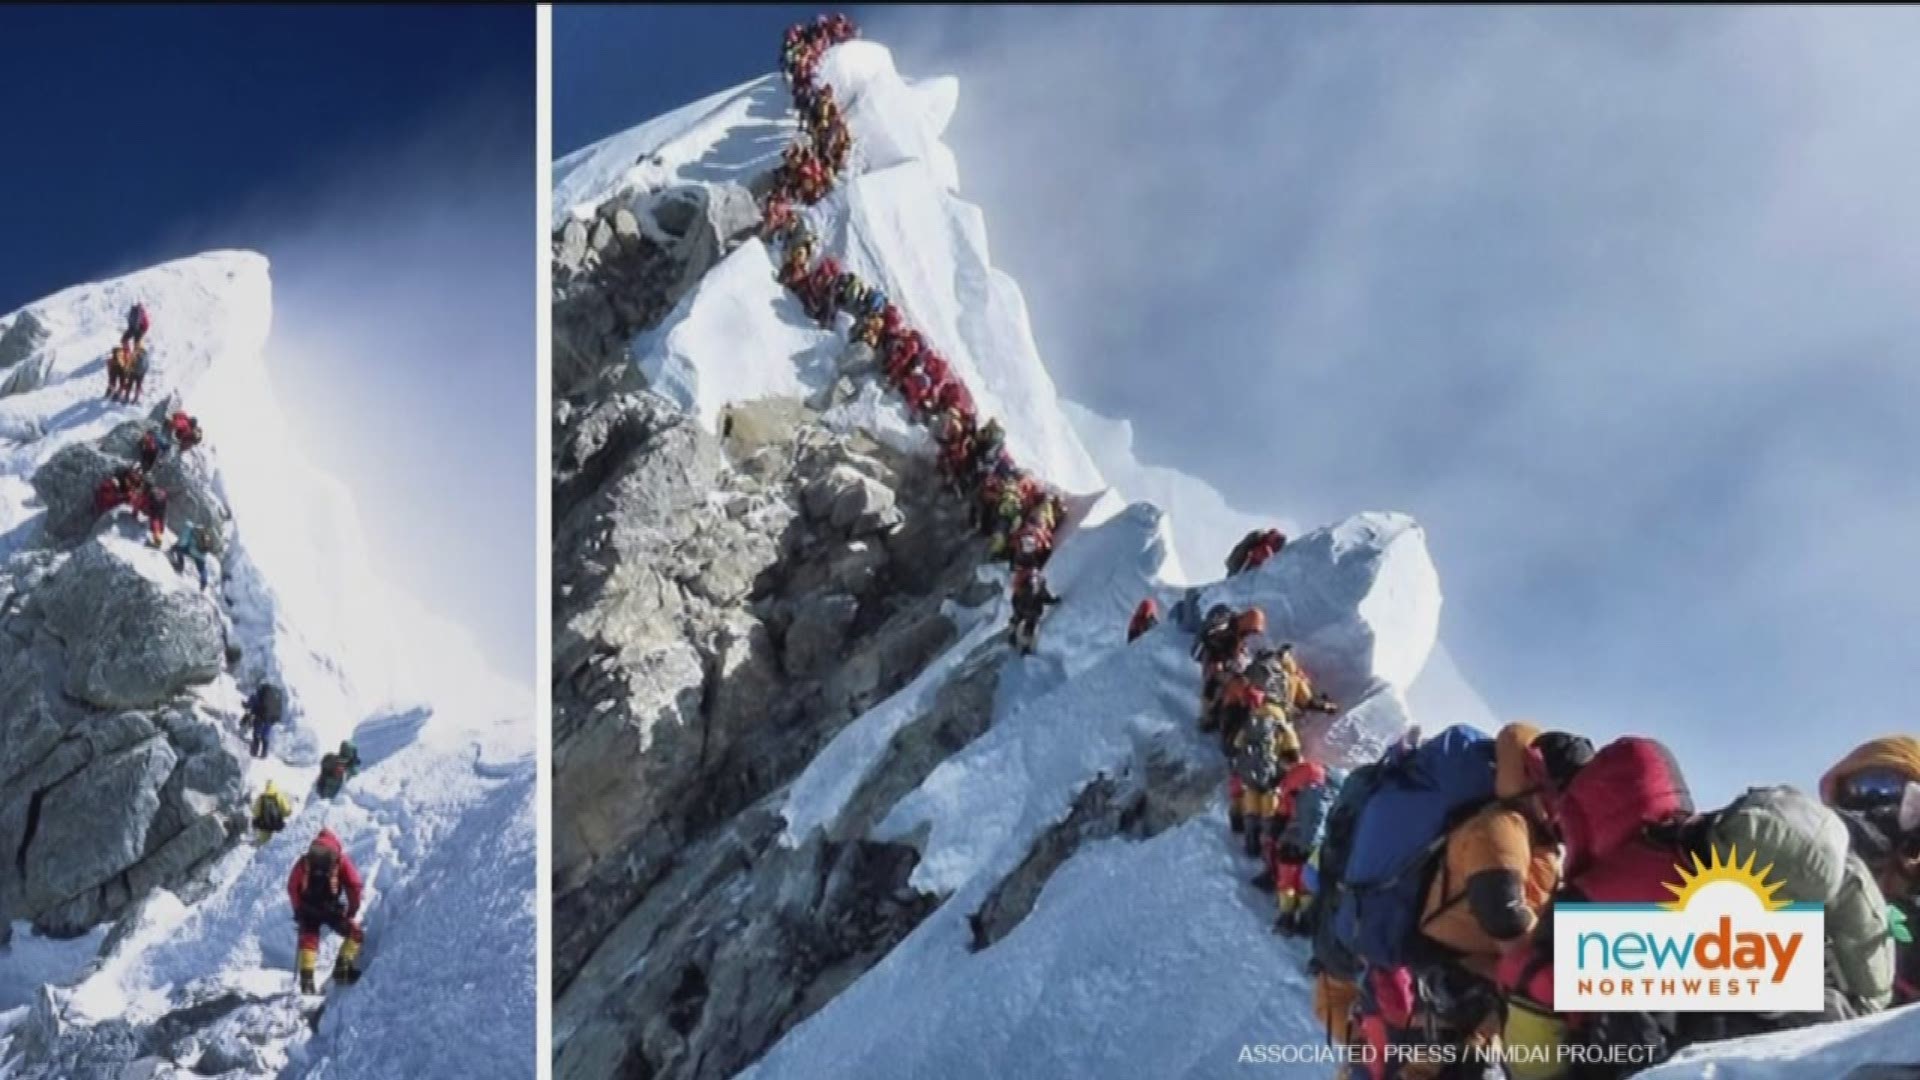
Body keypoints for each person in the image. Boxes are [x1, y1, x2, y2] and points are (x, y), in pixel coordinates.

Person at [287, 829, 364, 993]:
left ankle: (306, 982)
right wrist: (352, 910)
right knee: (355, 933)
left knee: (309, 939)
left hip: (308, 908)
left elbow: (292, 886)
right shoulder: (340, 860)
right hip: (331, 909)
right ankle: (342, 970)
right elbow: (355, 885)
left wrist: (298, 910)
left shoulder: (305, 861)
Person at [1008, 569, 1060, 656]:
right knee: (1029, 627)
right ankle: (1025, 647)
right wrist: (1054, 601)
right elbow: (1046, 598)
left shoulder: (1022, 585)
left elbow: (1014, 598)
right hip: (1033, 610)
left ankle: (1012, 635)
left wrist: (1016, 607)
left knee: (1016, 619)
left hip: (1020, 607)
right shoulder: (1039, 586)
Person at [242, 682, 286, 759]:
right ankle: (264, 754)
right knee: (265, 736)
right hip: (270, 718)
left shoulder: (260, 693)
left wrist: (247, 705)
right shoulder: (273, 698)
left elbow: (253, 702)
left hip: (260, 716)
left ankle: (254, 752)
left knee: (256, 734)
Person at [252, 780, 293, 846]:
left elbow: (255, 813)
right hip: (278, 825)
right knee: (280, 846)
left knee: (264, 845)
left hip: (264, 826)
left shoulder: (261, 797)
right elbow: (287, 812)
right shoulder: (280, 796)